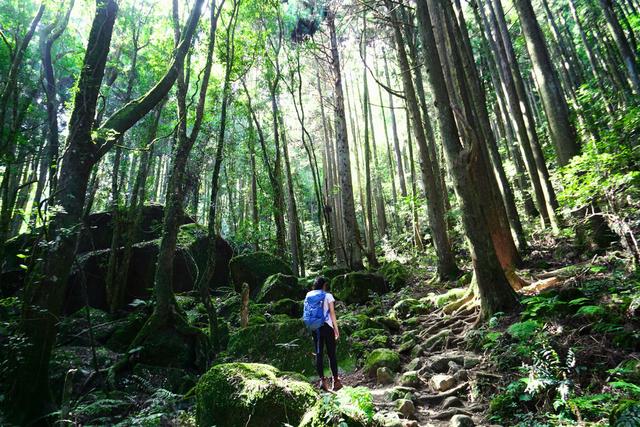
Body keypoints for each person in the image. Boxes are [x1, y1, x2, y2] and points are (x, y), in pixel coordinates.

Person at [305, 276, 342, 392]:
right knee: (331, 354)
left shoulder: (309, 295)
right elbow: (332, 313)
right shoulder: (328, 295)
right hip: (327, 327)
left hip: (315, 327)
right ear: (324, 285)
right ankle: (335, 381)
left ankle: (322, 381)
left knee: (319, 353)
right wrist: (336, 329)